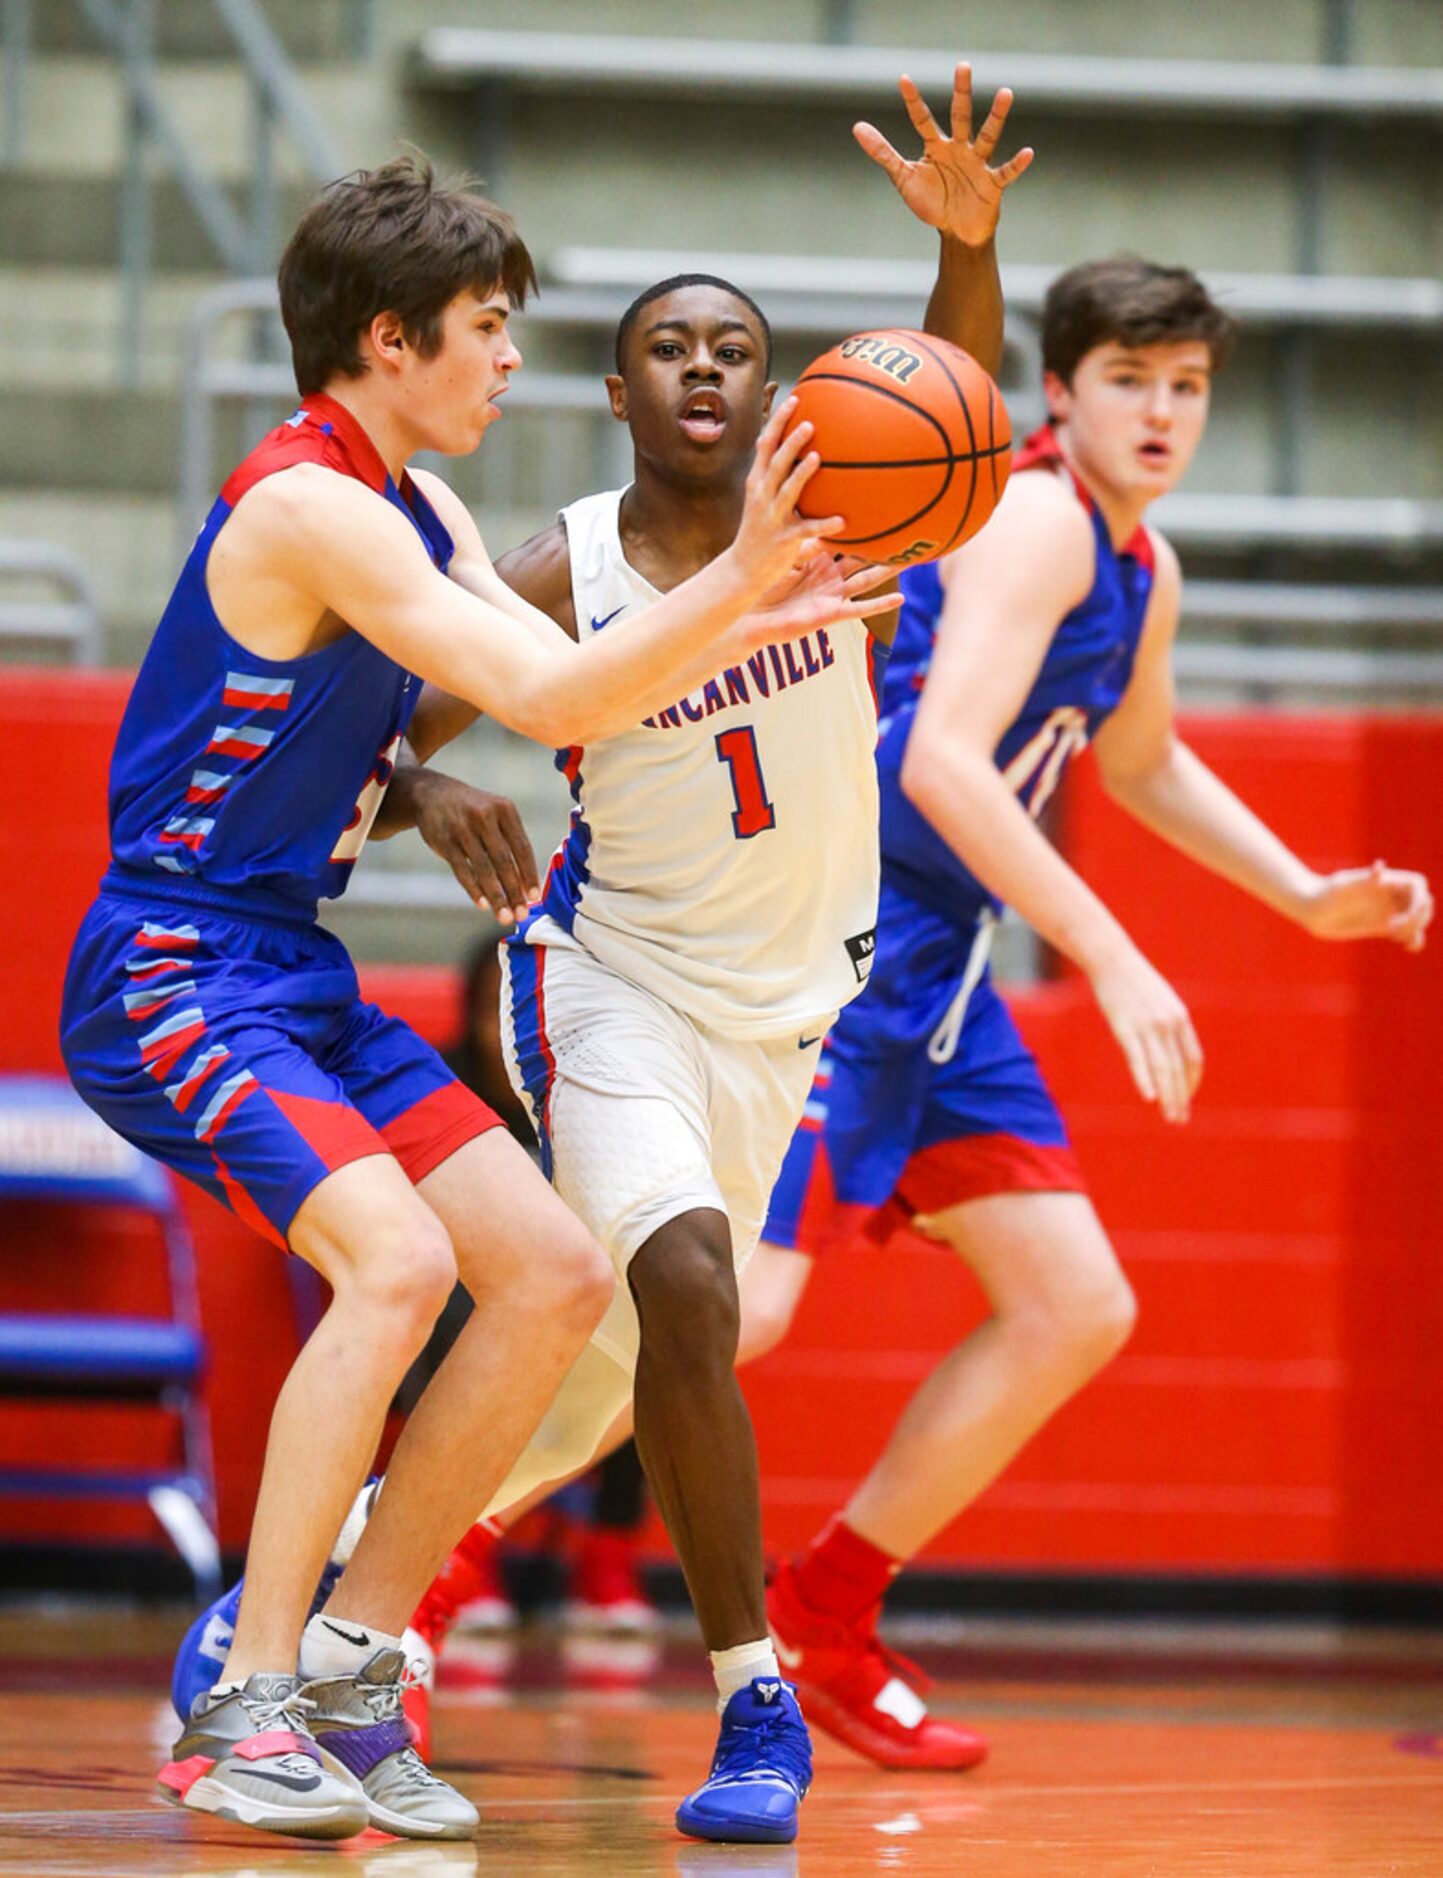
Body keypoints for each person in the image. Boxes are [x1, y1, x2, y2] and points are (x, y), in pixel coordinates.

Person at [60, 152, 873, 1844]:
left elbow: (442, 702)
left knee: (556, 1274)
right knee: (401, 1259)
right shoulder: (310, 503)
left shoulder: (416, 512)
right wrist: (750, 570)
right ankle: (248, 1690)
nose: (510, 359)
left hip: (293, 959)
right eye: (487, 328)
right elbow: (552, 683)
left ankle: (361, 1658)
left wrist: (415, 784)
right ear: (389, 335)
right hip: (172, 962)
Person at [378, 67, 1032, 1844]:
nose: (704, 368)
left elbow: (954, 416)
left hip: (790, 1008)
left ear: (775, 389)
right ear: (619, 386)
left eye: (735, 347)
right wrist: (431, 782)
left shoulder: (844, 517)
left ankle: (361, 1581)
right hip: (606, 973)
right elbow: (360, 768)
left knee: (615, 1361)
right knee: (679, 1290)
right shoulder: (552, 571)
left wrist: (968, 256)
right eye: (670, 345)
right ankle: (757, 1709)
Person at [740, 254, 1435, 1771]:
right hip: (848, 937)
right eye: (1133, 379)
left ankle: (825, 1611)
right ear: (1060, 391)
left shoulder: (1141, 562)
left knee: (1076, 1305)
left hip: (946, 959)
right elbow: (935, 757)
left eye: (1189, 386)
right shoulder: (1041, 519)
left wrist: (1308, 894)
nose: (1165, 412)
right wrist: (1113, 952)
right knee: (742, 1312)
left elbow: (1141, 760)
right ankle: (398, 1594)